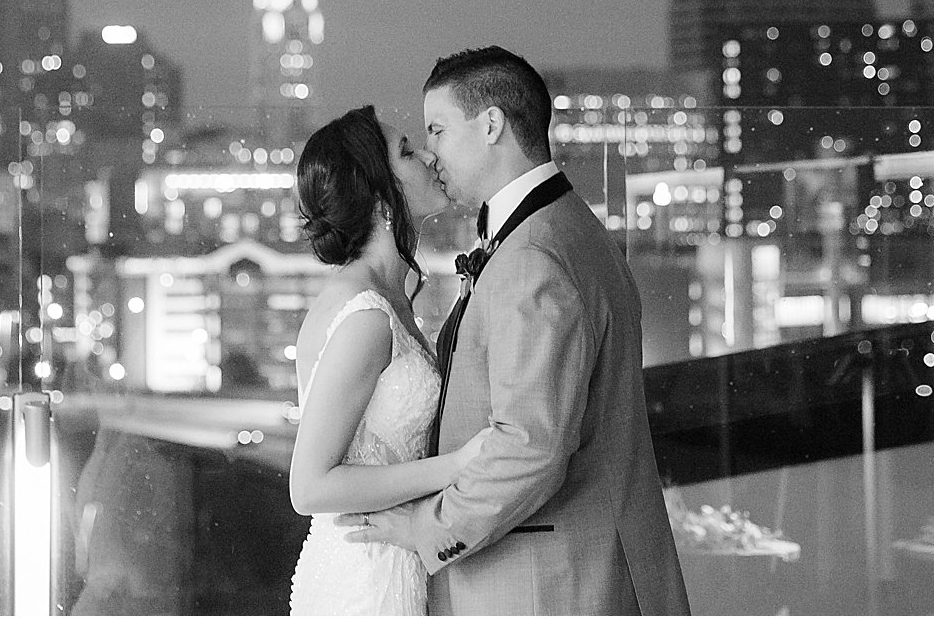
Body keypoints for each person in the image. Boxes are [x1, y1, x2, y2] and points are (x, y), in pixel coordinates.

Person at [337, 46, 691, 615]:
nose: (431, 153)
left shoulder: (533, 258)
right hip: (570, 571)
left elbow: (529, 445)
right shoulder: (564, 229)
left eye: (438, 129)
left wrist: (428, 527)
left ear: (492, 125)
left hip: (548, 587)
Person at [288, 105, 492, 615]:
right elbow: (309, 486)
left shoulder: (387, 297)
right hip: (364, 579)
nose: (427, 154)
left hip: (394, 561)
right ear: (381, 195)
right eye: (406, 151)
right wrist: (455, 467)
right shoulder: (366, 316)